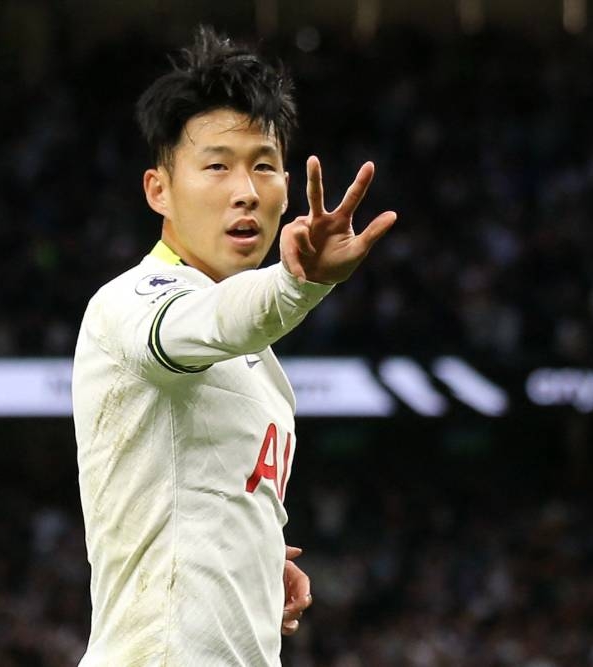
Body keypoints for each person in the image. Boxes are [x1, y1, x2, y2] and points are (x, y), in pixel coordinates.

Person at [71, 26, 396, 666]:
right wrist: (298, 283)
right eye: (216, 165)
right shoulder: (132, 302)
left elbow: (194, 497)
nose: (246, 189)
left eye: (264, 165)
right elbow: (212, 321)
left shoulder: (265, 370)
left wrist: (256, 561)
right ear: (158, 190)